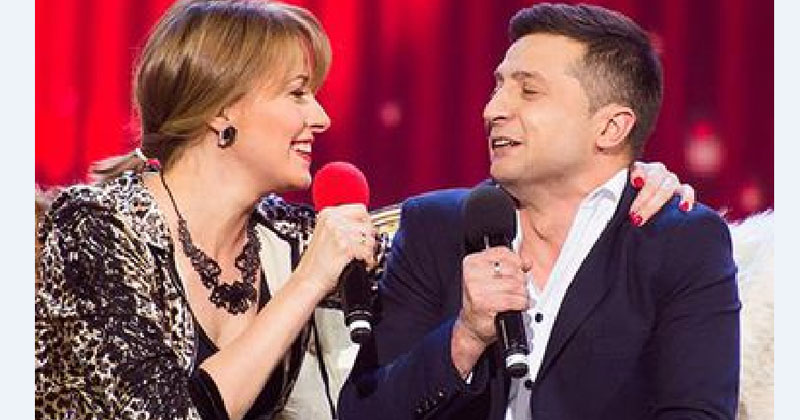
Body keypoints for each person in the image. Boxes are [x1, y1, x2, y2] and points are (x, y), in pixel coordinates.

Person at [338, 3, 739, 420]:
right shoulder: (435, 227)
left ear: (610, 128)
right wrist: (465, 339)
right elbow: (361, 413)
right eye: (498, 88)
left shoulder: (681, 241)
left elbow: (696, 411)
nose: (492, 110)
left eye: (528, 91)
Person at [34, 1, 377, 419]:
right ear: (221, 109)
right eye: (297, 93)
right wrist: (307, 283)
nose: (321, 118)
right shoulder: (95, 229)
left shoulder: (289, 233)